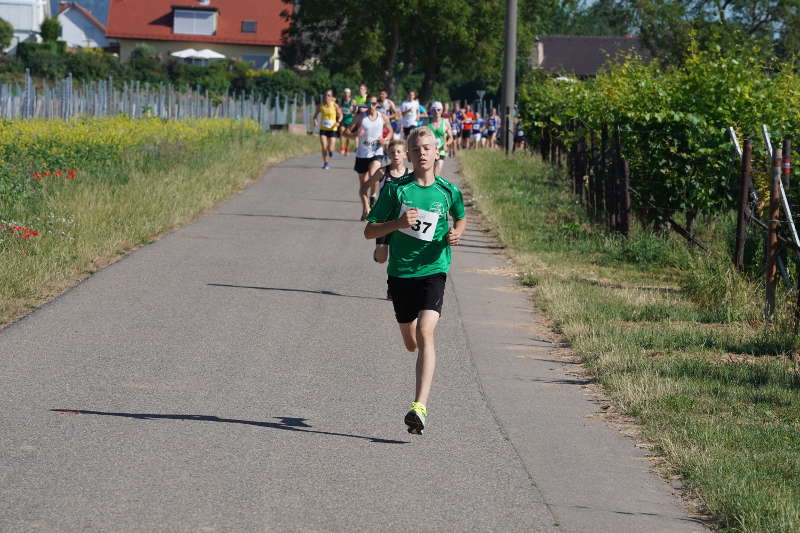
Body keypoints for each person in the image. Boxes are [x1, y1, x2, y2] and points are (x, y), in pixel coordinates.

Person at [364, 126, 467, 435]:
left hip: (434, 270)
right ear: (408, 155)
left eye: (427, 147)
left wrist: (458, 232)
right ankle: (411, 342)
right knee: (411, 342)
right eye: (416, 148)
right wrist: (396, 224)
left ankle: (419, 407)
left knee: (426, 333)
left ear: (437, 152)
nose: (422, 153)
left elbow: (460, 215)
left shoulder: (448, 190)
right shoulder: (398, 190)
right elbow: (370, 230)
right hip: (401, 275)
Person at [361, 139, 410, 264]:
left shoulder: (410, 175)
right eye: (392, 152)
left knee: (401, 256)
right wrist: (366, 207)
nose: (396, 155)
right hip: (383, 219)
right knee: (381, 258)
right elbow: (363, 189)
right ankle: (379, 251)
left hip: (402, 218)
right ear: (388, 154)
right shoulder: (382, 172)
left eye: (399, 152)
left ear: (405, 154)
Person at [348, 95, 392, 219]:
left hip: (376, 152)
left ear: (377, 104)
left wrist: (385, 139)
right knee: (363, 186)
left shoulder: (382, 117)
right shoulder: (360, 117)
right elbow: (346, 132)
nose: (371, 106)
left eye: (373, 103)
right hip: (362, 155)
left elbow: (390, 131)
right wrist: (356, 134)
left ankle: (373, 195)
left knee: (374, 175)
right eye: (369, 103)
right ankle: (366, 208)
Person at [312, 89, 342, 169]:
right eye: (325, 95)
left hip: (333, 129)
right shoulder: (320, 106)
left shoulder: (334, 105)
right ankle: (326, 163)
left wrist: (338, 122)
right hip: (323, 129)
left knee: (331, 148)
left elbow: (340, 115)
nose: (327, 97)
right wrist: (315, 120)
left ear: (332, 97)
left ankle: (331, 151)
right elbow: (315, 115)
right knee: (324, 147)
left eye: (329, 95)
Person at [428, 101, 453, 175]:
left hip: (441, 150)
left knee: (437, 173)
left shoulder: (445, 122)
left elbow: (451, 138)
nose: (436, 111)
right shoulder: (426, 123)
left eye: (438, 109)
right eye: (434, 109)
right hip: (429, 151)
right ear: (431, 111)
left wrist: (446, 144)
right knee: (429, 174)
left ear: (442, 110)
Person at [339, 88, 356, 155]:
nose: (346, 94)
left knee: (348, 135)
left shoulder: (352, 101)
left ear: (350, 94)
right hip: (343, 120)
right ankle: (342, 148)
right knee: (341, 131)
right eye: (345, 93)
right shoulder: (342, 101)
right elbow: (339, 108)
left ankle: (347, 148)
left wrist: (353, 112)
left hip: (350, 120)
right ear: (343, 94)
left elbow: (356, 110)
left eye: (347, 93)